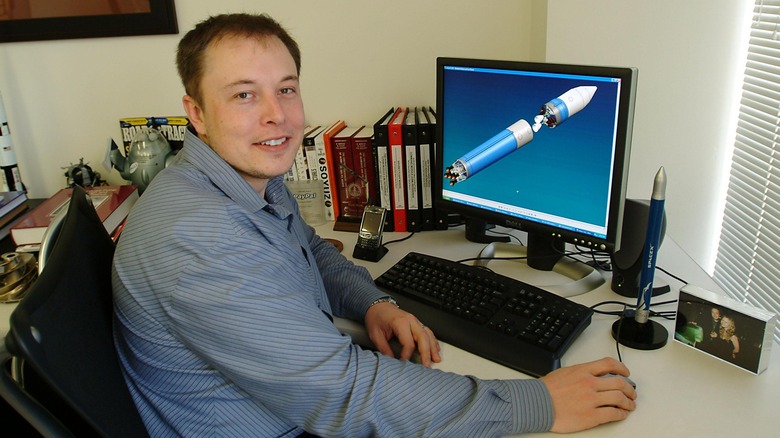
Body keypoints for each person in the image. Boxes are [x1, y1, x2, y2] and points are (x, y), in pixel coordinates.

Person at [112, 13, 637, 437]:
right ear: (196, 112)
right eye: (244, 94)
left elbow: (309, 250)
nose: (277, 115)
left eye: (287, 89)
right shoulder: (197, 237)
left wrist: (373, 302)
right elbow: (345, 396)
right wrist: (540, 404)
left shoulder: (242, 179)